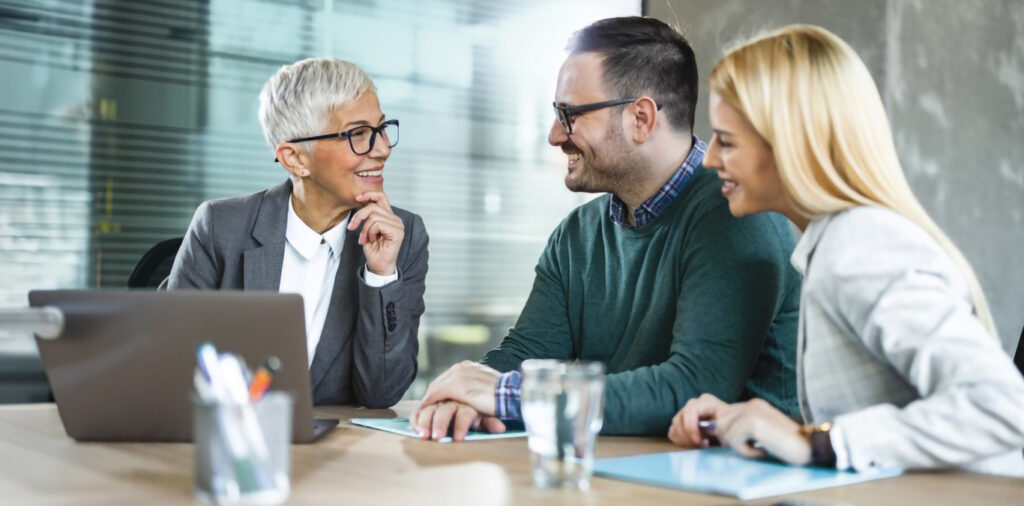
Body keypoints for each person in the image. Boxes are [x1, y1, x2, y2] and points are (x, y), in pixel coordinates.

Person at [412, 16, 802, 441]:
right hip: (624, 468)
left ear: (641, 118)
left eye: (569, 115)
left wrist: (507, 395)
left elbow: (694, 387)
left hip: (744, 475)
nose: (554, 135)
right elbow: (525, 355)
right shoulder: (576, 234)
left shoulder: (738, 216)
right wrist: (464, 397)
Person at [668, 25, 1024, 476]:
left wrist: (817, 442)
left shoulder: (861, 244)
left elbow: (1003, 406)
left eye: (728, 141)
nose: (709, 158)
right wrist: (758, 426)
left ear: (793, 144)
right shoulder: (837, 242)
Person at [164, 58, 428, 409]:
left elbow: (382, 393)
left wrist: (381, 275)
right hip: (231, 431)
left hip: (339, 441)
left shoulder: (402, 236)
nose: (382, 149)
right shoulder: (220, 227)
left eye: (381, 129)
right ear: (295, 159)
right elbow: (171, 365)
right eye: (358, 134)